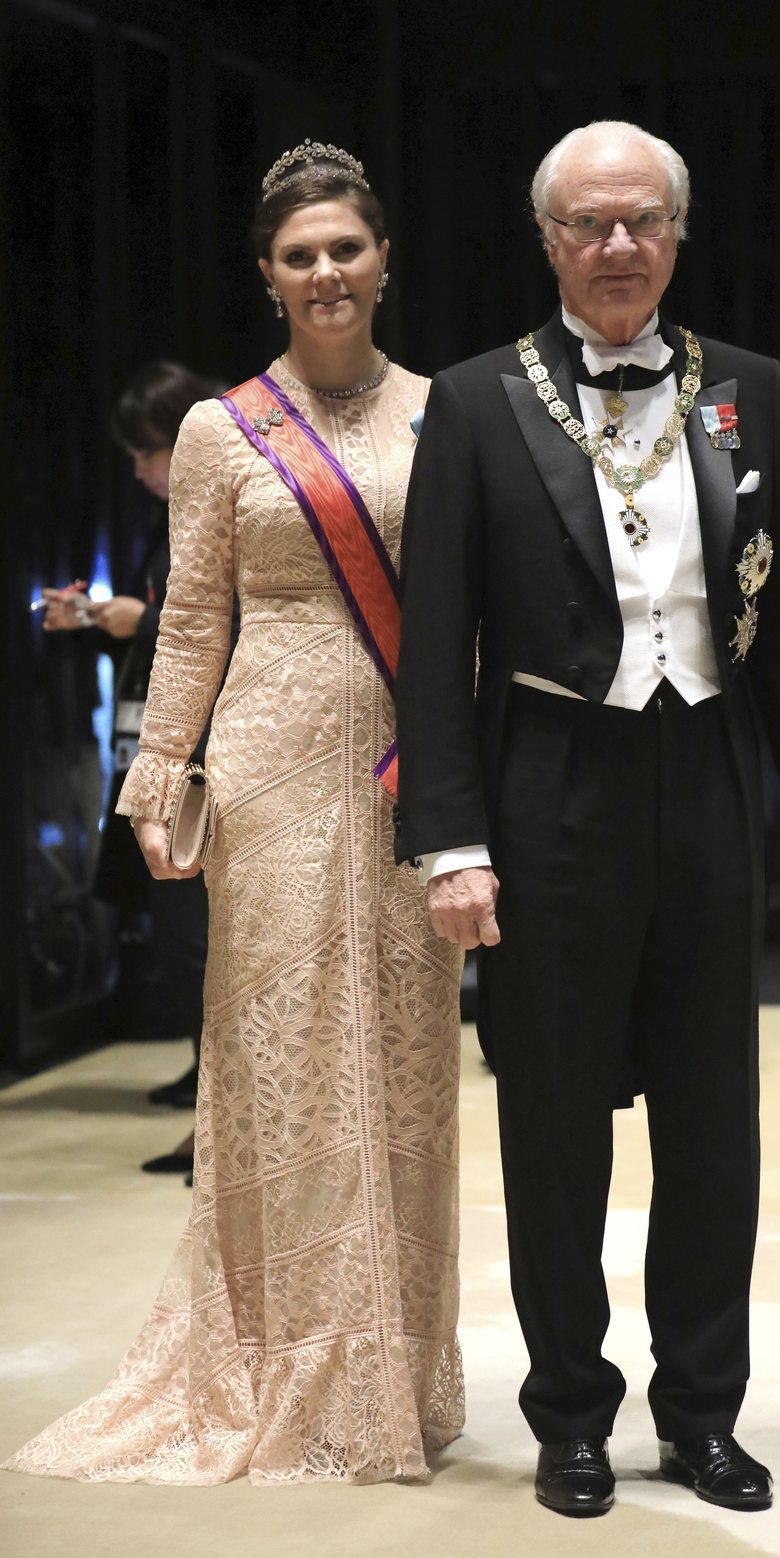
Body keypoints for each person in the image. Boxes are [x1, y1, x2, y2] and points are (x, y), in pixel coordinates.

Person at [395, 120, 780, 1517]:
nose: (617, 247)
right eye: (589, 224)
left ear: (677, 234)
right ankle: (570, 1418)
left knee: (718, 1125)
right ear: (548, 241)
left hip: (711, 780)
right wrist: (453, 842)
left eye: (643, 222)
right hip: (550, 785)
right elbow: (435, 647)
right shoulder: (475, 401)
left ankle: (702, 1413)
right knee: (555, 1128)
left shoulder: (751, 390)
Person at [5, 140, 463, 1485]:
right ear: (269, 278)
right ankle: (283, 1367)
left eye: (347, 248)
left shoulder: (449, 413)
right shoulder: (222, 429)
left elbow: (461, 620)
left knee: (407, 1076)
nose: (326, 271)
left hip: (399, 773)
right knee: (284, 1070)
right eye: (300, 254)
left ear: (386, 261)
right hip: (266, 772)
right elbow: (196, 613)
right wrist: (158, 779)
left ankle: (396, 1376)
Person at [42, 363, 226, 1172]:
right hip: (160, 756)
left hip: (217, 760)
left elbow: (233, 625)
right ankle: (216, 1115)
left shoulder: (227, 508)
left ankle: (224, 1130)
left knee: (203, 945)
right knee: (185, 943)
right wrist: (98, 620)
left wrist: (140, 619)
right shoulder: (167, 523)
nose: (142, 470)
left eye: (149, 450)